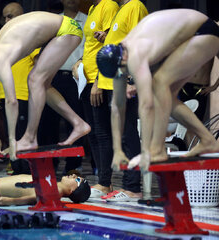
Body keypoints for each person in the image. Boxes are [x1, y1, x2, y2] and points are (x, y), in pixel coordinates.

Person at [96, 9, 219, 171]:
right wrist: (117, 150)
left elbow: (146, 105)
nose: (122, 76)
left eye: (123, 72)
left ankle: (157, 150)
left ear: (123, 59)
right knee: (167, 94)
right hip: (192, 34)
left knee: (160, 84)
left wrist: (146, 152)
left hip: (203, 31)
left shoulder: (134, 54)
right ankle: (207, 140)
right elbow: (117, 106)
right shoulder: (120, 57)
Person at [0, 12, 91, 161]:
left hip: (67, 30)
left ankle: (30, 138)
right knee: (43, 85)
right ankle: (78, 124)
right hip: (60, 30)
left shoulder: (0, 59)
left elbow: (11, 101)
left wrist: (12, 140)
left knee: (34, 80)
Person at [92, 0, 148, 201]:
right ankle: (109, 183)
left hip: (126, 83)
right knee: (111, 135)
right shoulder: (121, 9)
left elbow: (139, 44)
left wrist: (132, 80)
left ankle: (133, 187)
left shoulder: (135, 6)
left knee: (128, 134)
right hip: (111, 83)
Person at [38, 0, 87, 174]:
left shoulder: (88, 21)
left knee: (75, 121)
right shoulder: (53, 21)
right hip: (53, 75)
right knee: (47, 123)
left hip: (76, 77)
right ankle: (49, 164)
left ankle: (73, 166)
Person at [80, 0, 118, 195]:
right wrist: (80, 62)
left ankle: (105, 181)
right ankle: (103, 181)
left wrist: (98, 81)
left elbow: (110, 45)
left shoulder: (109, 6)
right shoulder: (93, 8)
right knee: (92, 133)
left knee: (102, 132)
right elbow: (91, 45)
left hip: (99, 78)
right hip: (85, 79)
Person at [0, 2, 39, 174]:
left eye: (11, 16)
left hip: (24, 97)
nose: (7, 20)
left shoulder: (30, 39)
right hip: (5, 97)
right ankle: (17, 175)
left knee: (24, 141)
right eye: (5, 17)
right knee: (10, 139)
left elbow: (39, 68)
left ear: (21, 17)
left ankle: (28, 178)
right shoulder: (0, 40)